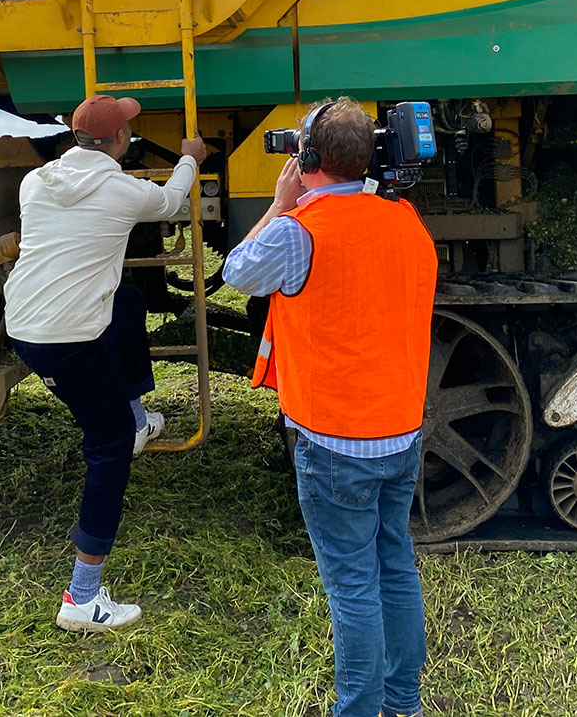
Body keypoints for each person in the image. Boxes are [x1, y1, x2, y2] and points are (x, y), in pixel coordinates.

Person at [223, 97, 438, 717]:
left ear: (306, 158)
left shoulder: (299, 231)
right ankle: (404, 703)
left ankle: (359, 710)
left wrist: (278, 203)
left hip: (336, 443)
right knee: (395, 565)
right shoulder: (407, 221)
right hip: (401, 433)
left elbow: (237, 272)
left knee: (352, 587)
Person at [3, 93, 208, 632]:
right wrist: (190, 156)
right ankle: (82, 598)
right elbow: (169, 203)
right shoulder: (120, 189)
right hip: (66, 340)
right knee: (109, 448)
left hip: (24, 322)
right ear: (119, 141)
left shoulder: (35, 182)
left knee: (127, 303)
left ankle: (137, 418)